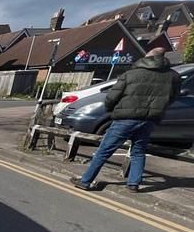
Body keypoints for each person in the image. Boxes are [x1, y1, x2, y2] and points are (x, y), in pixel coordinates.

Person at [71, 47, 180, 193]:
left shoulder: (131, 74)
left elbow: (112, 97)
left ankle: (86, 180)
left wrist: (111, 109)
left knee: (104, 150)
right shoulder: (173, 76)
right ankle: (133, 183)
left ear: (146, 58)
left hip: (126, 117)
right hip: (149, 119)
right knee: (138, 151)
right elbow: (173, 98)